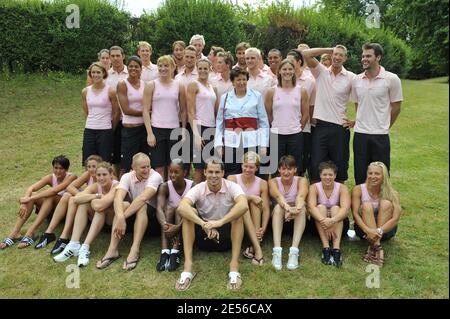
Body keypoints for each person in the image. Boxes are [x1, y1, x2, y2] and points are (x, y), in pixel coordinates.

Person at [175, 158, 248, 291]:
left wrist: (220, 222)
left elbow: (243, 205)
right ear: (204, 172)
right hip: (204, 233)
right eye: (210, 172)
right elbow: (181, 207)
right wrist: (203, 224)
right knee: (188, 213)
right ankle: (188, 267)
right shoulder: (198, 188)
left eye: (217, 172)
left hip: (225, 234)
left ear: (222, 173)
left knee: (238, 216)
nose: (214, 175)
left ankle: (234, 267)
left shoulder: (232, 186)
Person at [96, 153, 163, 270]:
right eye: (143, 167)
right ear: (134, 167)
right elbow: (117, 198)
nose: (147, 169)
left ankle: (134, 249)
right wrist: (121, 217)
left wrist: (122, 218)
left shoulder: (155, 176)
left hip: (154, 221)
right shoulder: (127, 176)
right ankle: (112, 250)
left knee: (142, 204)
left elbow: (143, 198)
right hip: (135, 218)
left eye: (148, 166)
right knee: (122, 205)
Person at [302, 45, 356, 183]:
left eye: (341, 55)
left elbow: (361, 100)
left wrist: (356, 120)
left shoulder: (351, 78)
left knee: (339, 166)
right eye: (335, 54)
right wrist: (328, 49)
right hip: (321, 127)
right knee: (315, 165)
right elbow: (306, 54)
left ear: (345, 58)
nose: (337, 57)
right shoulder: (321, 72)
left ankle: (338, 201)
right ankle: (315, 201)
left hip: (340, 128)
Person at [351, 43, 403, 184]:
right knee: (360, 172)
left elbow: (396, 107)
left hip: (380, 135)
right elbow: (358, 105)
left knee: (381, 173)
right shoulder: (356, 80)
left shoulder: (392, 79)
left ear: (378, 57)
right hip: (360, 134)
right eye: (363, 56)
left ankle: (382, 203)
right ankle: (361, 203)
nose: (364, 59)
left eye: (368, 56)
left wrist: (385, 125)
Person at [0, 155, 77, 249]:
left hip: (66, 213)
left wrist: (29, 199)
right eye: (55, 168)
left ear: (67, 169)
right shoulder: (50, 177)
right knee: (33, 195)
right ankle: (15, 233)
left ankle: (30, 232)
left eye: (61, 168)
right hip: (52, 210)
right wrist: (25, 202)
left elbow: (54, 191)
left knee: (49, 195)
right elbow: (31, 188)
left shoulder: (72, 177)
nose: (57, 171)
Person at [53, 162, 120, 267]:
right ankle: (74, 244)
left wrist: (93, 200)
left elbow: (100, 206)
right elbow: (76, 199)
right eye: (98, 175)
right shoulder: (96, 186)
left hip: (113, 223)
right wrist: (97, 195)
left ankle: (85, 247)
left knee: (99, 208)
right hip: (99, 222)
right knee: (83, 205)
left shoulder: (117, 185)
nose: (101, 178)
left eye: (104, 174)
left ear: (111, 174)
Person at [35, 155, 103, 251]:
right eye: (89, 167)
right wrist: (81, 196)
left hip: (99, 209)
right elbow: (70, 187)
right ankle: (53, 234)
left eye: (94, 166)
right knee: (67, 195)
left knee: (71, 199)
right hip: (87, 204)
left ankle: (67, 238)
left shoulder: (106, 176)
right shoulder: (88, 174)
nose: (91, 169)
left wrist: (84, 197)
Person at [214, 67, 270, 177]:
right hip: (231, 142)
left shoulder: (256, 96)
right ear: (233, 82)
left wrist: (264, 145)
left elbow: (264, 122)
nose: (242, 82)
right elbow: (220, 123)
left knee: (252, 172)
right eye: (238, 80)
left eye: (244, 79)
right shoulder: (225, 98)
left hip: (252, 142)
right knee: (231, 173)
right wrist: (218, 144)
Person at [143, 55, 187, 180]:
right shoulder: (151, 85)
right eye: (160, 66)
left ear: (173, 67)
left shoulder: (179, 85)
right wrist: (149, 133)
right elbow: (145, 111)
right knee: (159, 168)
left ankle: (171, 195)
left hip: (174, 129)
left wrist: (183, 130)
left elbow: (183, 111)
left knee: (173, 167)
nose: (163, 69)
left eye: (166, 66)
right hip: (157, 129)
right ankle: (160, 194)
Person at [352, 161, 401, 267]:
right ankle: (378, 248)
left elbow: (396, 218)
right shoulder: (358, 189)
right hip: (364, 231)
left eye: (377, 174)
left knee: (386, 203)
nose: (372, 176)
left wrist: (378, 231)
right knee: (366, 206)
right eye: (370, 173)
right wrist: (367, 230)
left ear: (384, 175)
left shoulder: (393, 193)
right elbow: (355, 214)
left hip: (385, 232)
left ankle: (373, 246)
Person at [265, 59, 309, 174]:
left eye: (290, 69)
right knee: (275, 168)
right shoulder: (271, 91)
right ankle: (275, 191)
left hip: (295, 135)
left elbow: (305, 114)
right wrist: (276, 126)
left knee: (295, 167)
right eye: (284, 69)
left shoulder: (301, 91)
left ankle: (296, 191)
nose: (287, 72)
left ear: (294, 71)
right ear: (279, 71)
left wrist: (298, 128)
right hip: (277, 134)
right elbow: (269, 114)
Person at [227, 151, 268, 265]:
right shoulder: (232, 178)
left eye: (251, 167)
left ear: (256, 168)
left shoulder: (263, 183)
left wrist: (263, 228)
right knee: (243, 205)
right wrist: (251, 197)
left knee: (255, 204)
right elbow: (231, 199)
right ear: (241, 165)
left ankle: (253, 242)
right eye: (245, 166)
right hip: (236, 218)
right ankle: (257, 248)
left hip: (255, 220)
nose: (248, 169)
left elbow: (265, 209)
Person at [307, 161, 350, 267]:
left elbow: (345, 209)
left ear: (335, 175)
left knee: (336, 208)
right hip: (318, 226)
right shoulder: (314, 187)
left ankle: (336, 248)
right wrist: (324, 222)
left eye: (330, 175)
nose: (327, 177)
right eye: (324, 174)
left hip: (338, 226)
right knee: (320, 207)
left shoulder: (342, 188)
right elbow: (311, 208)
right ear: (320, 175)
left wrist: (332, 221)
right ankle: (325, 247)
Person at [269, 155, 308, 270]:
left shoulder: (302, 180)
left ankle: (294, 251)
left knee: (302, 209)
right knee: (278, 208)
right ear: (279, 170)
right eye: (283, 169)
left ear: (295, 170)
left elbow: (301, 197)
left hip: (297, 218)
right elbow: (278, 196)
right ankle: (277, 251)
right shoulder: (272, 181)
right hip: (279, 216)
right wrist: (287, 208)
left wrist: (295, 210)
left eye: (289, 169)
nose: (286, 172)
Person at [155, 159, 193, 272]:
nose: (172, 175)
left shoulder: (192, 186)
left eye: (176, 172)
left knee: (179, 209)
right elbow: (158, 208)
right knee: (169, 209)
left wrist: (177, 227)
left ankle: (175, 252)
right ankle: (165, 251)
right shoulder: (165, 186)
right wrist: (166, 227)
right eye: (170, 171)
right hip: (169, 221)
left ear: (185, 172)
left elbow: (193, 211)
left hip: (185, 222)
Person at [187, 58, 219, 184]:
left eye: (205, 68)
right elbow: (190, 111)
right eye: (200, 68)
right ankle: (195, 199)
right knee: (199, 167)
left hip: (211, 128)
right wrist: (196, 134)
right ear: (196, 69)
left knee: (209, 166)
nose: (202, 71)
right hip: (199, 128)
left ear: (210, 69)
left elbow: (215, 111)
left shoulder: (212, 87)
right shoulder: (193, 85)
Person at [82, 62, 120, 164]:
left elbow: (116, 113)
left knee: (105, 162)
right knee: (89, 162)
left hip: (105, 130)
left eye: (98, 72)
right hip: (89, 130)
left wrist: (111, 128)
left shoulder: (110, 91)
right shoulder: (85, 91)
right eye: (93, 72)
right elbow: (86, 112)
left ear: (104, 73)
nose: (95, 75)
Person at [286, 49, 316, 177]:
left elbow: (311, 106)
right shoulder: (281, 79)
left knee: (299, 162)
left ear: (299, 62)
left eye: (291, 61)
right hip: (284, 127)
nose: (288, 64)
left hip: (303, 128)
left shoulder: (310, 81)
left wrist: (302, 125)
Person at [117, 56, 148, 177]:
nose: (133, 68)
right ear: (127, 67)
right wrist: (146, 113)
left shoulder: (146, 84)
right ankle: (122, 192)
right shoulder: (122, 84)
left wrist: (147, 113)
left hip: (144, 128)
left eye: (136, 66)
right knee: (126, 165)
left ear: (141, 69)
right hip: (130, 130)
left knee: (144, 164)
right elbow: (126, 110)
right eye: (131, 66)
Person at [107, 45, 129, 178]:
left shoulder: (133, 71)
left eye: (118, 55)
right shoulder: (106, 76)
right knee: (115, 155)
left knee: (127, 154)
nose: (115, 58)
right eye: (113, 56)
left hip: (129, 120)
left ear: (123, 56)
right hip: (113, 119)